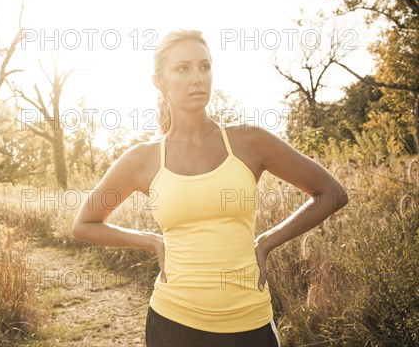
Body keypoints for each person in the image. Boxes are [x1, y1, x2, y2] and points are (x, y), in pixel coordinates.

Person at [72, 29, 349, 347]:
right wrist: (151, 241)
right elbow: (84, 224)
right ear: (159, 82)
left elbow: (331, 193)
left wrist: (266, 242)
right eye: (182, 68)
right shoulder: (142, 159)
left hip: (249, 322)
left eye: (205, 66)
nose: (197, 78)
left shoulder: (249, 141)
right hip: (173, 322)